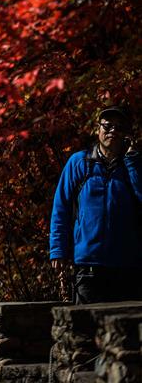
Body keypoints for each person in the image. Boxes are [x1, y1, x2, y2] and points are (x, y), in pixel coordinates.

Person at [50, 106, 141, 304]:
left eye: (118, 127)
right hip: (88, 264)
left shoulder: (133, 165)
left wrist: (133, 163)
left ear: (126, 133)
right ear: (97, 129)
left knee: (126, 332)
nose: (112, 131)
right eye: (107, 126)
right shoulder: (79, 163)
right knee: (86, 330)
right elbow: (61, 208)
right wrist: (58, 250)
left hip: (127, 265)